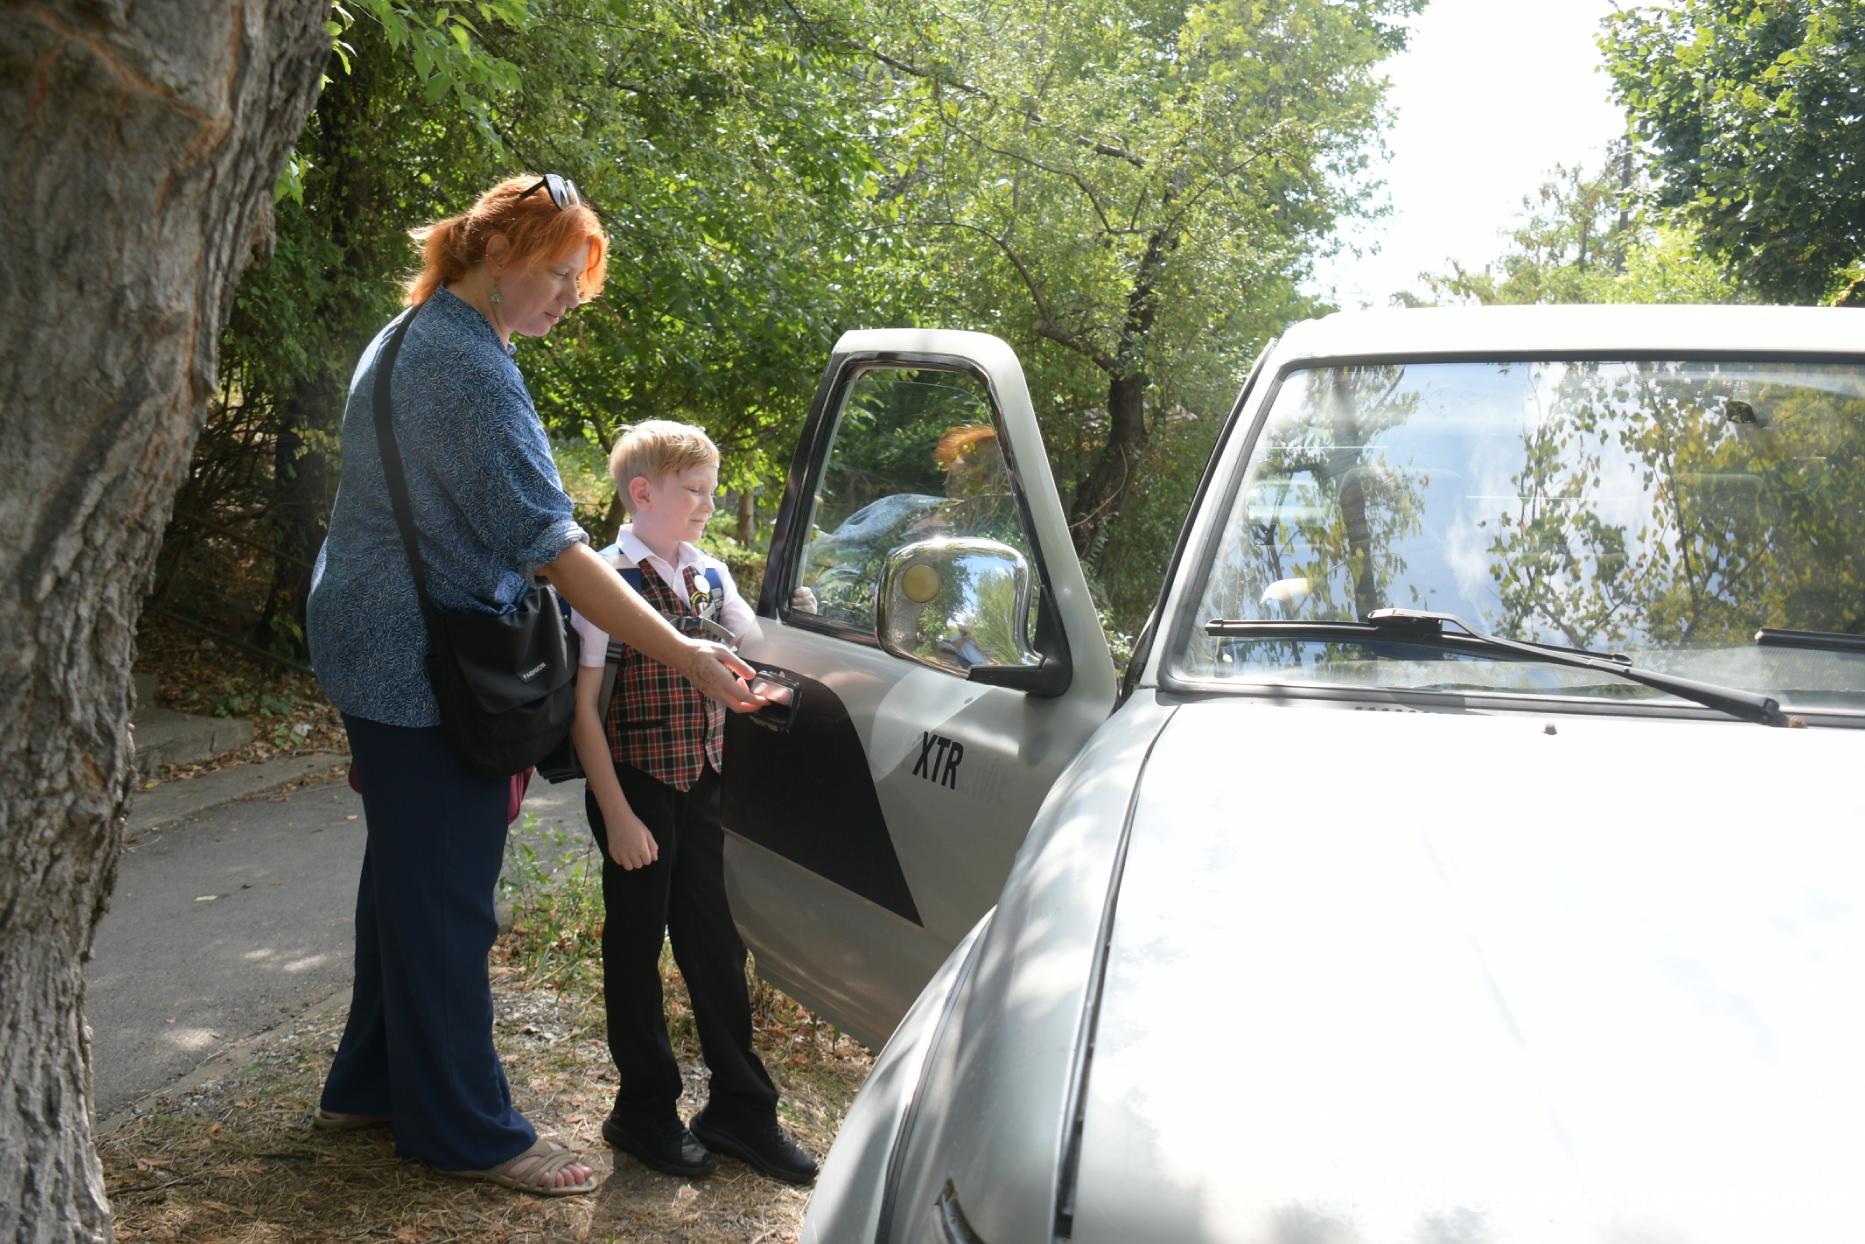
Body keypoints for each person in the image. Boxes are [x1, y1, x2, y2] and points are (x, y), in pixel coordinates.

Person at [305, 175, 762, 1197]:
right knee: (448, 900)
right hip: (423, 660)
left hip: (375, 634)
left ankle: (369, 1082)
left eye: (574, 283)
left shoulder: (412, 329)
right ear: (497, 251)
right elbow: (552, 547)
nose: (564, 299)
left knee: (407, 880)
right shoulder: (464, 365)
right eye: (556, 274)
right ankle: (466, 1129)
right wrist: (686, 650)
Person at [567, 420, 818, 1185]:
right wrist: (615, 813)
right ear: (642, 493)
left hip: (702, 785)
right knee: (635, 951)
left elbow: (761, 649)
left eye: (712, 491)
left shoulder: (709, 574)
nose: (708, 506)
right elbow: (583, 708)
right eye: (695, 493)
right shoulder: (602, 578)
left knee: (715, 945)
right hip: (636, 789)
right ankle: (642, 1109)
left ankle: (741, 1108)